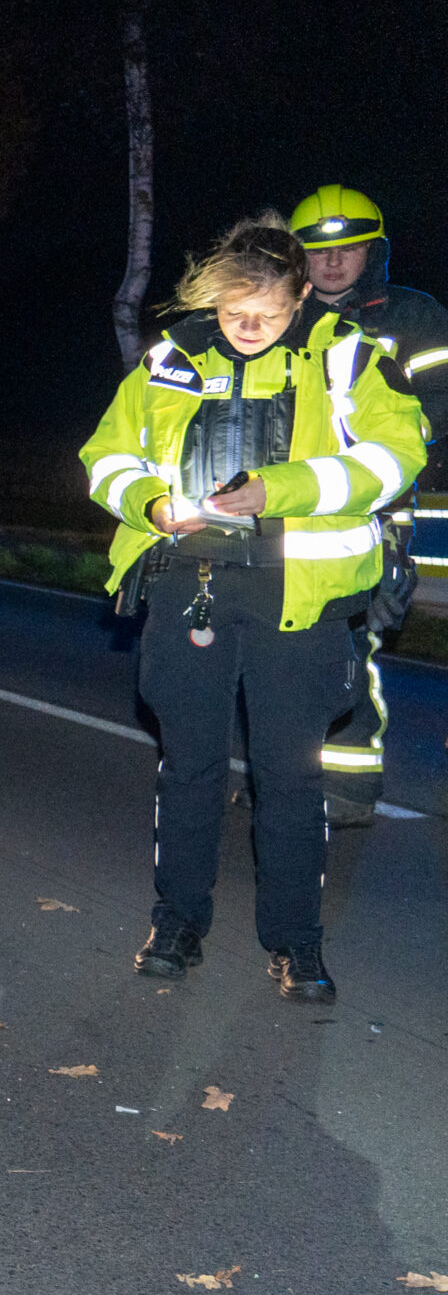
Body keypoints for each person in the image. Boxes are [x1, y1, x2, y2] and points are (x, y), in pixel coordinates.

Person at [82, 213, 427, 1002]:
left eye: (266, 317)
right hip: (188, 587)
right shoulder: (173, 360)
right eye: (234, 313)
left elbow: (395, 456)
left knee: (290, 779)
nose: (247, 329)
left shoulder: (348, 358)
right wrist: (148, 503)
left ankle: (296, 945)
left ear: (300, 297)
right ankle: (176, 923)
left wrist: (286, 488)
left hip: (295, 602)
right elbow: (107, 453)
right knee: (189, 769)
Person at [289, 186, 448, 822]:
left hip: (380, 509)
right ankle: (292, 776)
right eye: (318, 251)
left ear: (373, 253)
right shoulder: (277, 315)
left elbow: (439, 413)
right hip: (292, 509)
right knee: (288, 651)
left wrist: (392, 506)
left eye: (348, 250)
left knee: (353, 636)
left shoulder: (412, 316)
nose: (332, 263)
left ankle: (347, 787)